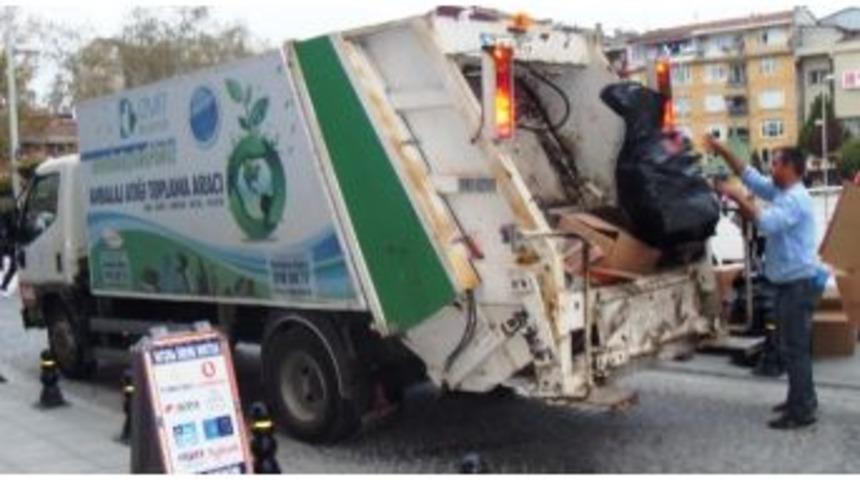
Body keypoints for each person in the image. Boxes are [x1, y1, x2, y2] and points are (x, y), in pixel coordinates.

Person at [705, 136, 820, 430]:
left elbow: (766, 222)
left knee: (795, 349)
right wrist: (722, 150)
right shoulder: (782, 191)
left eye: (776, 163)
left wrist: (735, 196)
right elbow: (750, 176)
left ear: (791, 168)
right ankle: (800, 399)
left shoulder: (795, 200)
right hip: (789, 284)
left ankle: (802, 410)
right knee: (791, 347)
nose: (771, 168)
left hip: (798, 285)